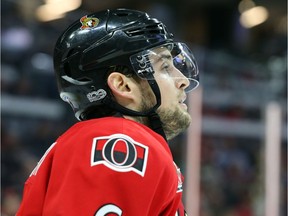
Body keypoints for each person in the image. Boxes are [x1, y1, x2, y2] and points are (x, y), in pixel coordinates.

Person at [16, 8, 199, 216]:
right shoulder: (119, 142)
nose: (183, 80)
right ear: (122, 85)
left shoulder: (107, 141)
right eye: (165, 67)